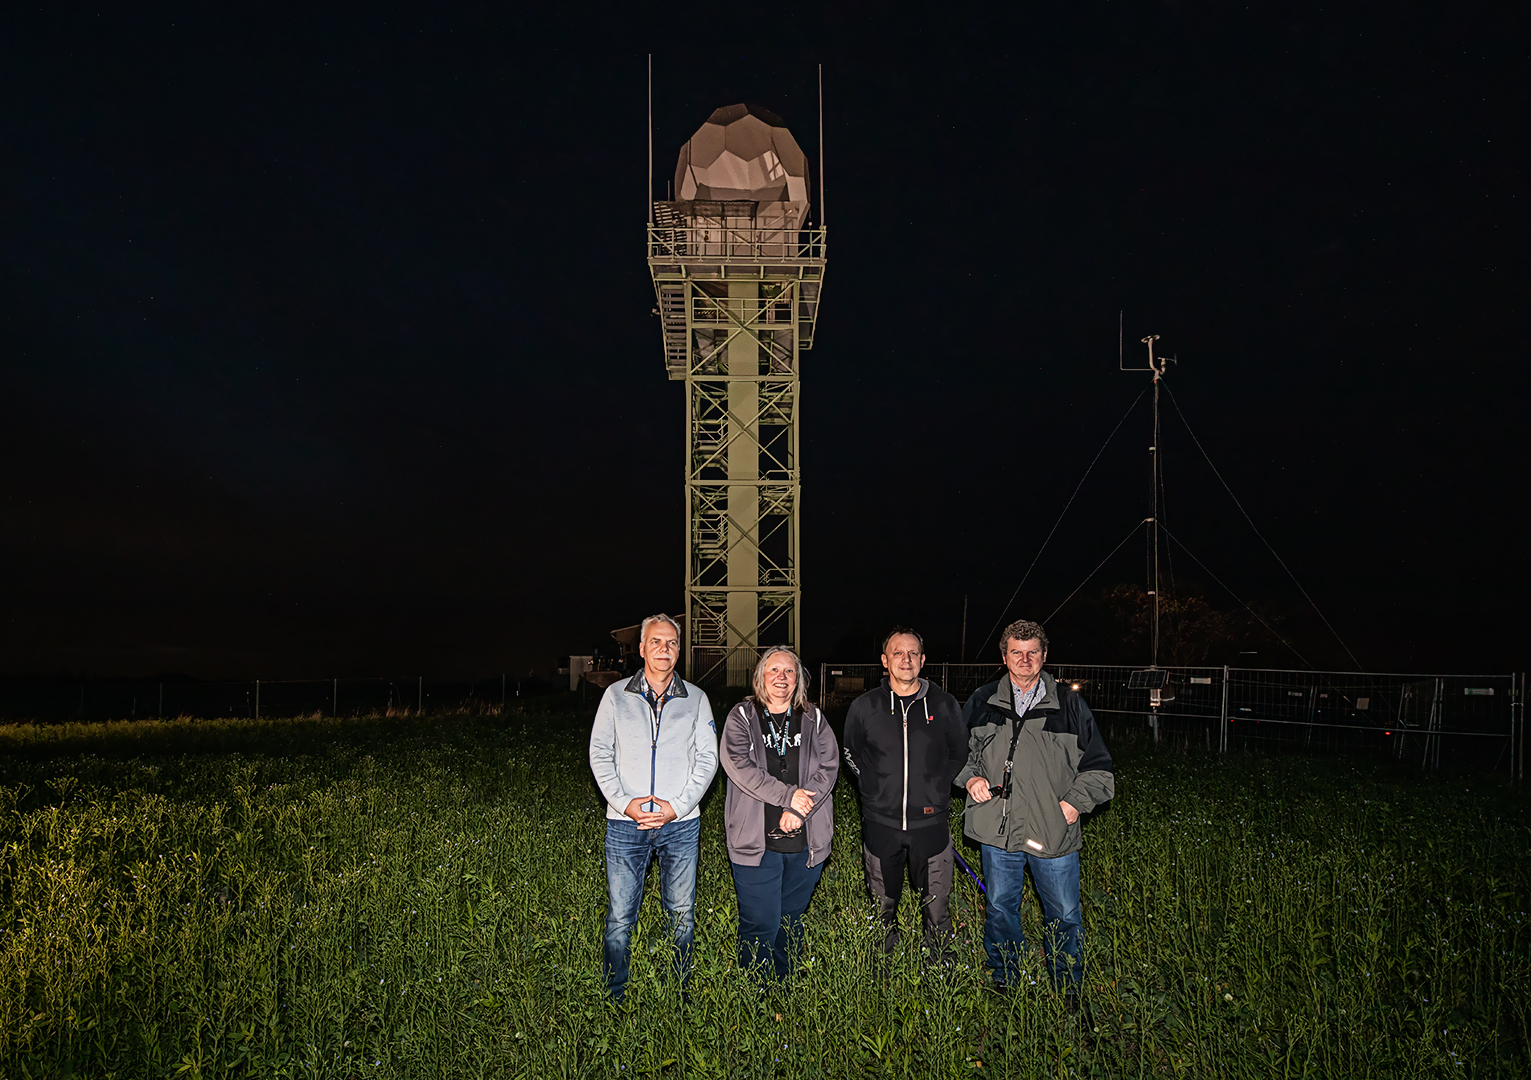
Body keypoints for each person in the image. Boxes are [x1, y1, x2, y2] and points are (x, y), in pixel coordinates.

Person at [957, 619, 1114, 998]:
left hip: (1052, 828)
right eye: (1016, 652)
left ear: (1044, 656)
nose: (1024, 659)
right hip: (998, 829)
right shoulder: (982, 701)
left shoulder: (1070, 705)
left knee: (1063, 912)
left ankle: (1067, 987)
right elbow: (959, 755)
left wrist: (1073, 805)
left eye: (1032, 653)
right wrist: (970, 778)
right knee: (999, 908)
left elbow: (1099, 770)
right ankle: (1005, 978)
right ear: (1004, 657)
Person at [588, 613, 718, 1004]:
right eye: (656, 642)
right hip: (626, 825)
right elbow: (599, 753)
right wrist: (625, 804)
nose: (665, 649)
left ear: (679, 651)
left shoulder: (697, 699)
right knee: (619, 919)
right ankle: (616, 998)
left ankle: (676, 996)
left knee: (680, 915)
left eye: (672, 643)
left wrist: (676, 807)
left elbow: (707, 759)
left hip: (680, 825)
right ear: (641, 648)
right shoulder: (615, 696)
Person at [842, 628, 969, 964]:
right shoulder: (865, 706)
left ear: (923, 660)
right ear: (885, 661)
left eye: (913, 653)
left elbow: (960, 752)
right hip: (880, 822)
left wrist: (939, 787)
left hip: (931, 823)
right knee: (883, 903)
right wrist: (872, 787)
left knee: (937, 904)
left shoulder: (943, 704)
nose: (906, 659)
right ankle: (883, 967)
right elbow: (851, 752)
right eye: (898, 653)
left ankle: (940, 970)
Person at [719, 646, 839, 984]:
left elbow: (828, 768)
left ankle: (785, 990)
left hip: (806, 841)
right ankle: (753, 998)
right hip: (755, 843)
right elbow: (738, 766)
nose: (781, 678)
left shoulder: (814, 719)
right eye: (774, 671)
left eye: (788, 671)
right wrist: (788, 798)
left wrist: (801, 809)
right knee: (760, 923)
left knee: (790, 921)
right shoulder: (741, 717)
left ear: (798, 679)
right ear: (760, 677)